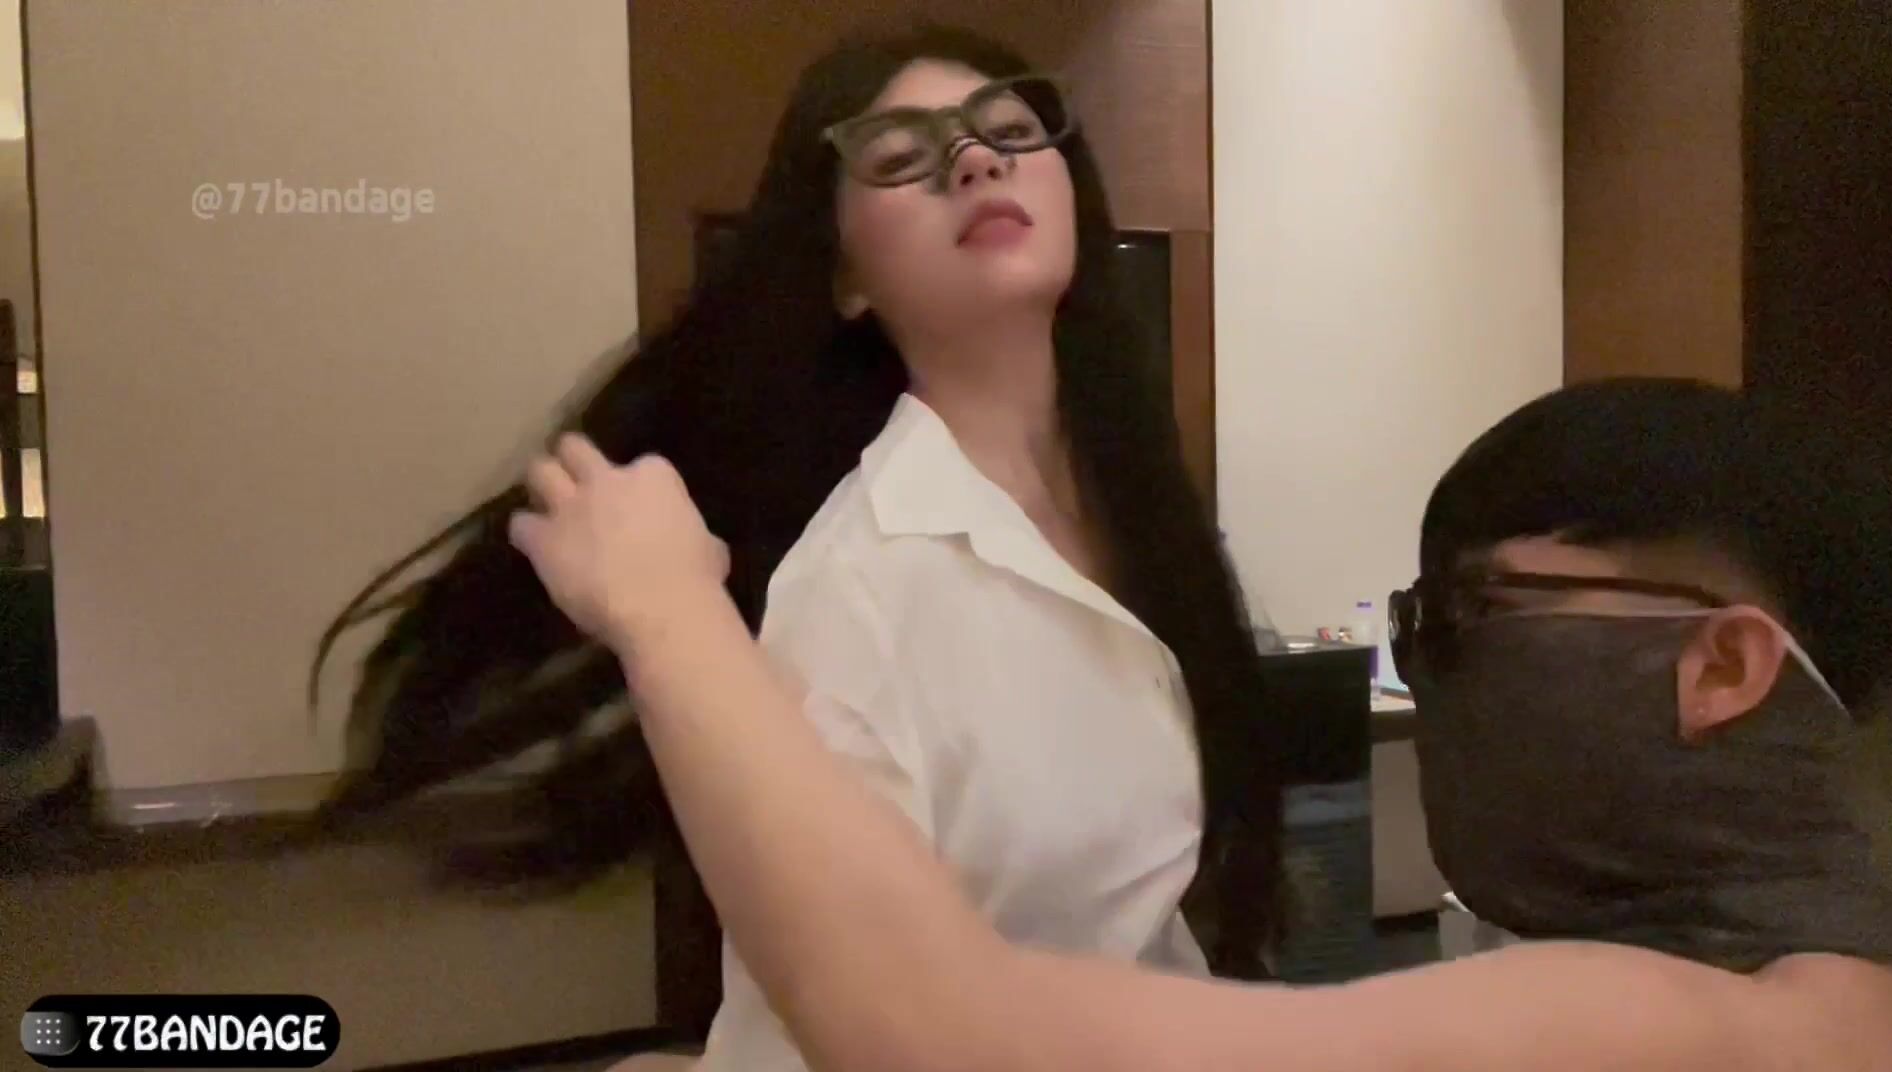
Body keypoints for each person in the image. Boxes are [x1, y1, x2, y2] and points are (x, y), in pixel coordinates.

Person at [309, 23, 1286, 1071]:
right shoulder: (858, 583)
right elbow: (872, 1020)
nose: (974, 158)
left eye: (1009, 131)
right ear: (847, 279)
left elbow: (1140, 942)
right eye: (902, 158)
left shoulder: (1145, 527)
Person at [508, 378, 1892, 1072]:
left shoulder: (1667, 1029)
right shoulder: (1853, 996)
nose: (1429, 672)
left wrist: (666, 608)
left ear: (1723, 667)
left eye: (1467, 616)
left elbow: (928, 1027)